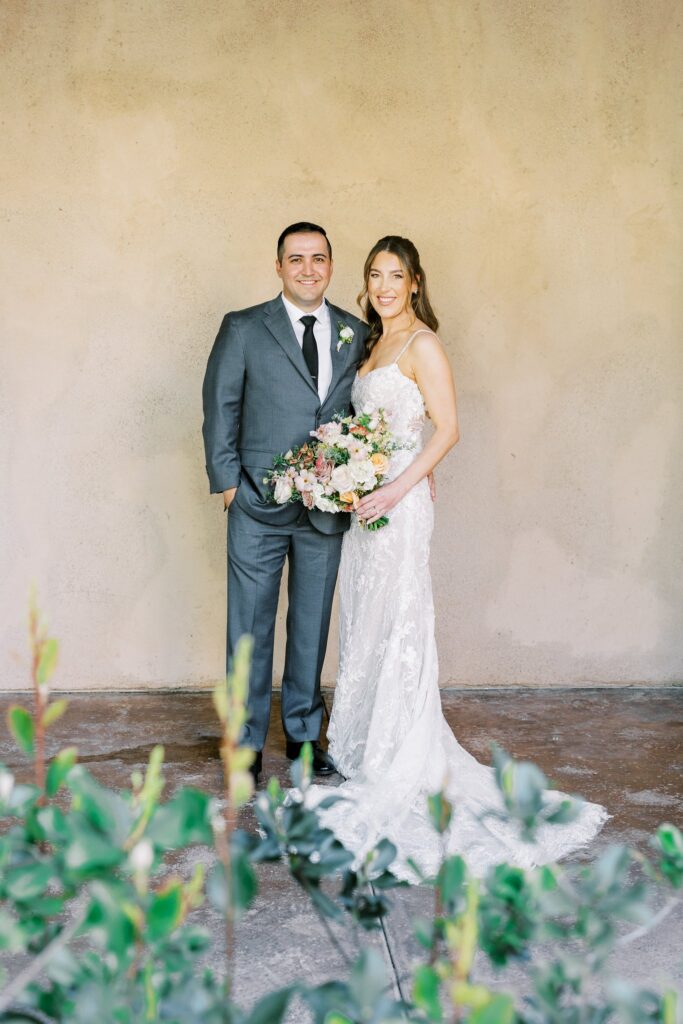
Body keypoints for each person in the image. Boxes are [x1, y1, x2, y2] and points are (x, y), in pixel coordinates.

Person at [311, 235, 608, 880]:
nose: (384, 286)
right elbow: (366, 428)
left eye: (396, 275)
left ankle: (402, 752)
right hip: (366, 501)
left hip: (399, 501)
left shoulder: (423, 344)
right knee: (365, 614)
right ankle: (366, 743)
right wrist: (349, 472)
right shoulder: (371, 343)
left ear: (416, 282)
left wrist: (397, 484)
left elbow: (447, 428)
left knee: (401, 615)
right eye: (375, 275)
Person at [202, 222, 367, 784]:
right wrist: (229, 484)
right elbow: (221, 406)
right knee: (248, 626)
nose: (307, 269)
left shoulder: (355, 332)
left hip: (326, 508)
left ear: (330, 265)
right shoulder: (244, 327)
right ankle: (243, 743)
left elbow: (367, 415)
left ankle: (301, 734)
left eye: (318, 258)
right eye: (295, 259)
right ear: (278, 266)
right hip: (256, 502)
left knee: (311, 623)